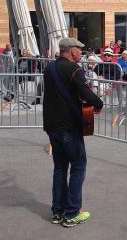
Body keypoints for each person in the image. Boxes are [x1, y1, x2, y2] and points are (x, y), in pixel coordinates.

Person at [43, 37, 103, 227]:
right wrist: (99, 103)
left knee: (60, 168)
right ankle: (71, 213)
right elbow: (85, 92)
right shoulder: (74, 69)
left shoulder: (49, 68)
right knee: (78, 167)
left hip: (52, 125)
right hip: (69, 125)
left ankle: (57, 212)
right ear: (71, 51)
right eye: (79, 49)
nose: (81, 52)